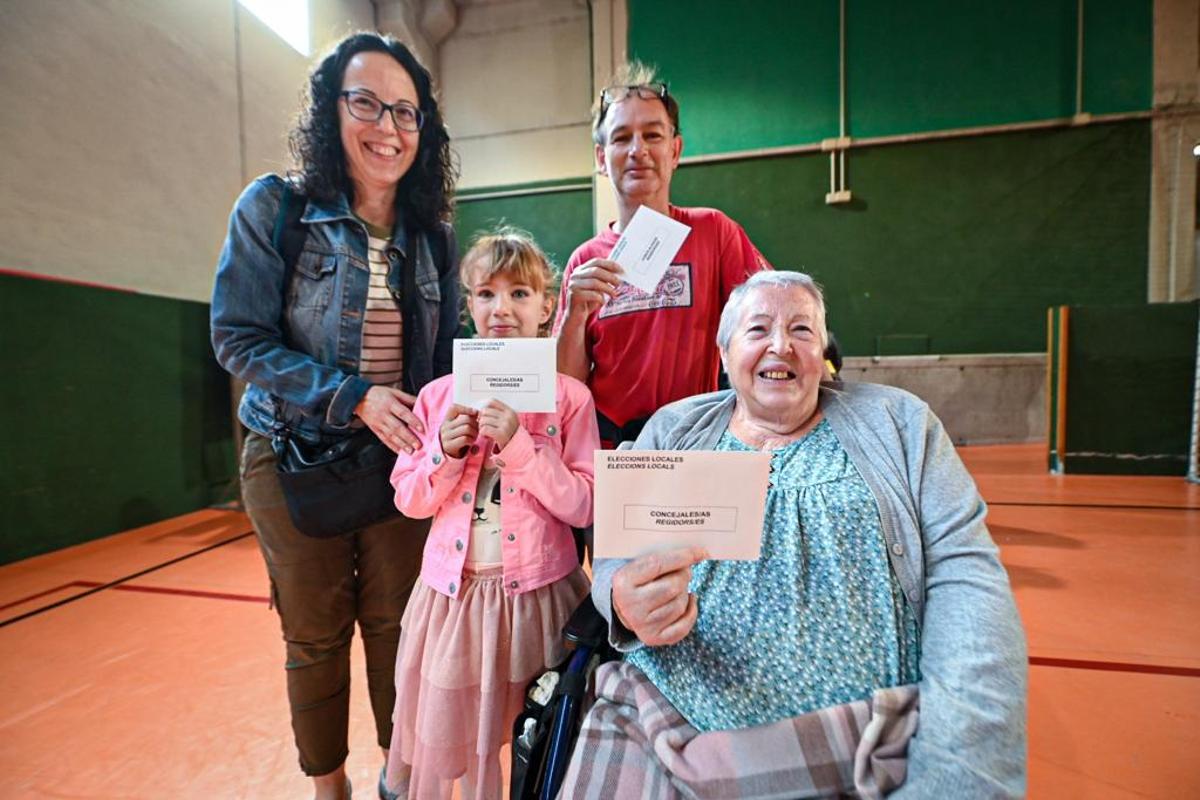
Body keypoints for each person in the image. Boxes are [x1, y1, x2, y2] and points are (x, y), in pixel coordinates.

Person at [560, 270, 1028, 798]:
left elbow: (967, 578)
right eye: (758, 330)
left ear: (823, 353)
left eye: (802, 331)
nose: (780, 345)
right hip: (667, 717)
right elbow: (618, 557)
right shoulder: (674, 429)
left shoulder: (899, 423)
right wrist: (622, 599)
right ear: (723, 353)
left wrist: (960, 763)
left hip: (862, 738)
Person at [210, 32, 459, 800]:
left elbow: (447, 357)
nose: (387, 127)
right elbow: (236, 337)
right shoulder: (276, 208)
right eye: (366, 103)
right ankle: (330, 787)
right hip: (290, 455)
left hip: (401, 464)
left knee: (398, 630)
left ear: (424, 131)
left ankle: (401, 775)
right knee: (314, 636)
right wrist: (352, 395)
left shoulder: (433, 236)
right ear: (330, 111)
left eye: (406, 112)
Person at [384, 229, 599, 799]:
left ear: (547, 305)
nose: (502, 309)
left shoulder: (570, 397)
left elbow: (585, 502)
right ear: (469, 304)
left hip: (538, 598)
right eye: (486, 294)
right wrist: (444, 454)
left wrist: (524, 450)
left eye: (520, 294)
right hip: (452, 602)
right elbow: (409, 498)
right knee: (459, 741)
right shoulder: (437, 397)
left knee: (537, 729)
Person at [553, 62, 771, 448]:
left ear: (675, 150)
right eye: (621, 138)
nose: (638, 150)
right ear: (602, 158)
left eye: (652, 135)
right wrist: (574, 316)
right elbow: (565, 387)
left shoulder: (715, 233)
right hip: (612, 454)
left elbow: (769, 317)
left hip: (695, 444)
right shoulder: (584, 261)